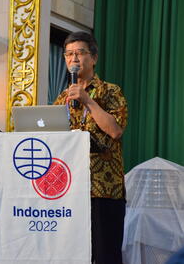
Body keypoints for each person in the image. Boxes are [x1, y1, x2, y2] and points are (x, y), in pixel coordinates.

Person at [54, 31, 128, 264]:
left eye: (79, 53)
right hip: (69, 190)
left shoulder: (111, 92)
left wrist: (87, 100)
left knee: (105, 256)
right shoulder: (62, 98)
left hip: (103, 191)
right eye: (68, 54)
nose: (73, 59)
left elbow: (115, 130)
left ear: (93, 58)